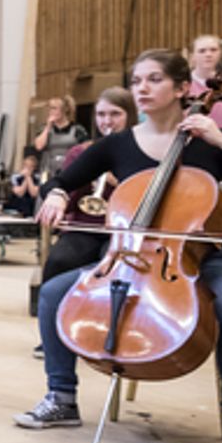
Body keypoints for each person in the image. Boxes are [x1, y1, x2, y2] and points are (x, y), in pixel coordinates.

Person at [16, 50, 222, 429]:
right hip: (130, 256)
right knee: (52, 293)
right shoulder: (118, 145)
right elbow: (60, 180)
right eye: (137, 81)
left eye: (154, 79)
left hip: (201, 255)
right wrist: (59, 194)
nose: (142, 88)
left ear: (181, 88)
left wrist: (221, 139)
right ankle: (61, 398)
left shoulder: (208, 142)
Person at [28, 87, 136, 357]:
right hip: (85, 226)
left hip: (123, 232)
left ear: (129, 115)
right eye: (101, 114)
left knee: (113, 269)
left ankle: (108, 334)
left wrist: (120, 183)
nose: (107, 121)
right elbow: (69, 192)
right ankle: (52, 334)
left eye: (115, 114)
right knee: (58, 261)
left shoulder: (140, 150)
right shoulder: (83, 151)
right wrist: (62, 198)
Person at [33, 95, 88, 175]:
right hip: (48, 171)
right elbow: (39, 146)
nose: (51, 111)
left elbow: (86, 149)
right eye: (50, 108)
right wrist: (48, 127)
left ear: (64, 110)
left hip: (70, 170)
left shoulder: (78, 129)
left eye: (54, 108)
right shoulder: (44, 129)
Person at [185, 33, 222, 126]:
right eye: (202, 51)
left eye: (213, 50)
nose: (208, 54)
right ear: (192, 55)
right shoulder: (184, 83)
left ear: (221, 53)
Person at [5, 149, 41, 218]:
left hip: (30, 210)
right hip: (15, 208)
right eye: (26, 165)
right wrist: (26, 178)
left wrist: (28, 178)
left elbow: (34, 193)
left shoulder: (37, 179)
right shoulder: (15, 177)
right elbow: (20, 193)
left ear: (34, 168)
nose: (27, 168)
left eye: (31, 166)